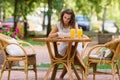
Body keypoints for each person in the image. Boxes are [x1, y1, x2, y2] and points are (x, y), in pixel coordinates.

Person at [48, 9, 85, 80]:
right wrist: (57, 33)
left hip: (75, 45)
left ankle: (61, 76)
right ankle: (83, 67)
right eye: (65, 17)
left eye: (68, 18)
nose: (66, 20)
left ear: (71, 19)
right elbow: (50, 35)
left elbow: (76, 35)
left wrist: (63, 35)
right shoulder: (59, 24)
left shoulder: (74, 23)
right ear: (62, 16)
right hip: (64, 46)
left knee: (71, 50)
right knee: (70, 53)